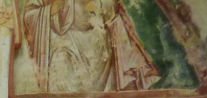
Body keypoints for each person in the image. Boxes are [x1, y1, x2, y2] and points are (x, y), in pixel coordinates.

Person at [22, 0, 160, 92]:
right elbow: (29, 15)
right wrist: (57, 7)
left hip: (100, 50)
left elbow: (111, 11)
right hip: (64, 48)